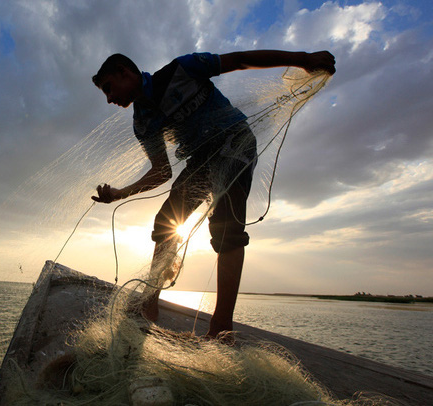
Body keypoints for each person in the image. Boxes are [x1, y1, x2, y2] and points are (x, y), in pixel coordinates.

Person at [91, 50, 335, 337]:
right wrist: (120, 193)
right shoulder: (143, 122)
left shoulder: (182, 68)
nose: (109, 99)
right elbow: (161, 171)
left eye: (109, 88)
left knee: (225, 228)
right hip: (202, 161)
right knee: (166, 222)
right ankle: (149, 305)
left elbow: (239, 61)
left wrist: (303, 59)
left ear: (124, 72)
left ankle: (221, 328)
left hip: (235, 141)